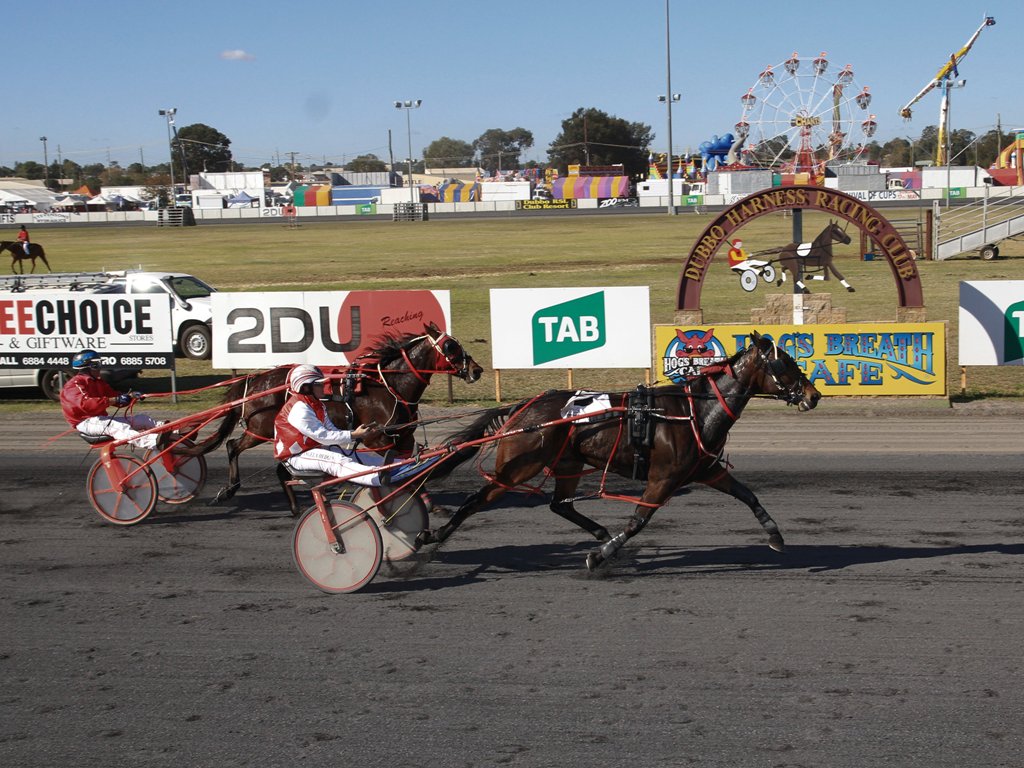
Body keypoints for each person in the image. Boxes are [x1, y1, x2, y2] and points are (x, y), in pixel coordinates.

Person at [274, 364, 441, 486]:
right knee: (337, 460)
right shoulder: (299, 409)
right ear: (306, 388)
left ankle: (402, 464)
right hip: (296, 458)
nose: (323, 387)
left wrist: (360, 433)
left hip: (312, 450)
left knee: (354, 455)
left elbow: (331, 431)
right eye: (318, 384)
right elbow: (323, 437)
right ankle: (375, 479)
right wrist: (354, 435)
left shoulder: (316, 405)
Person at [60, 349, 161, 449]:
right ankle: (155, 442)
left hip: (100, 420)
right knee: (118, 427)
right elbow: (86, 404)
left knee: (142, 419)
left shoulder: (98, 382)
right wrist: (115, 399)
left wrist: (130, 396)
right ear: (89, 367)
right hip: (85, 423)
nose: (100, 368)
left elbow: (116, 398)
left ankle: (168, 431)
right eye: (97, 365)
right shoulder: (74, 384)